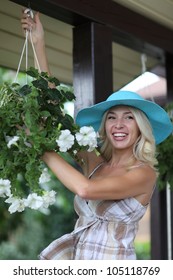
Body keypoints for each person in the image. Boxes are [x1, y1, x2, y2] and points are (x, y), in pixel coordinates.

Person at [21, 10, 173, 260]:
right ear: (105, 126)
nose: (119, 124)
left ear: (141, 128)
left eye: (129, 117)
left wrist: (41, 148)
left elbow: (86, 190)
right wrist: (39, 43)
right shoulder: (95, 162)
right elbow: (57, 120)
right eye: (112, 117)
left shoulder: (144, 173)